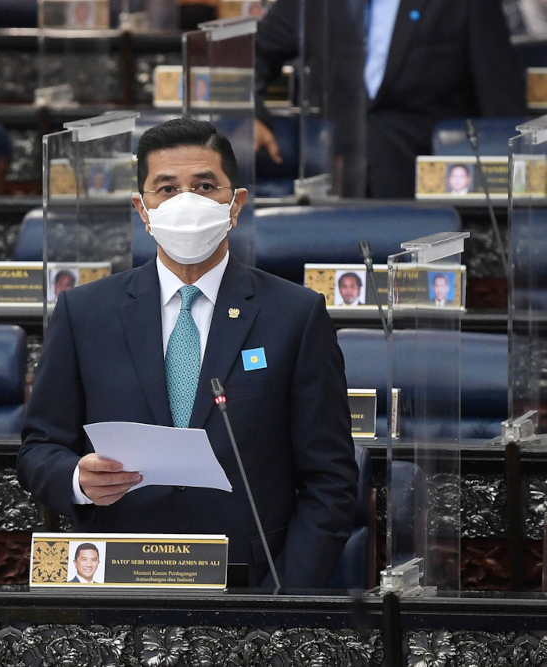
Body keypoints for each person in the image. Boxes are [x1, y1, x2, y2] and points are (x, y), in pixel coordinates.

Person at [18, 118, 358, 588]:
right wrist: (77, 478)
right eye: (166, 189)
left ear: (235, 203)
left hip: (253, 583)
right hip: (117, 578)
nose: (187, 203)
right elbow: (38, 449)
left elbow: (331, 479)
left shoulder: (295, 316)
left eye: (204, 186)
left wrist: (286, 597)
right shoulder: (85, 312)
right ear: (143, 208)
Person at [254, 0, 525, 198]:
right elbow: (251, 54)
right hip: (330, 189)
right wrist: (253, 113)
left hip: (426, 197)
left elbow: (501, 106)